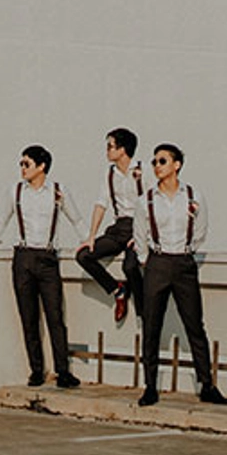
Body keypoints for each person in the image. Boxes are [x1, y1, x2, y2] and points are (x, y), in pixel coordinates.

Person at [132, 143, 227, 407]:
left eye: (162, 161)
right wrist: (147, 262)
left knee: (195, 325)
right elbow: (139, 236)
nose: (156, 166)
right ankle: (150, 386)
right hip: (157, 263)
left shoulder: (193, 196)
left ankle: (207, 385)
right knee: (152, 325)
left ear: (176, 165)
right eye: (154, 161)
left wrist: (186, 251)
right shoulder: (145, 201)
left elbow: (201, 231)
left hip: (185, 263)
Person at [0, 145, 84, 389]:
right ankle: (36, 370)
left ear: (42, 166)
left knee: (55, 316)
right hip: (23, 257)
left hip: (48, 258)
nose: (22, 168)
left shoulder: (59, 192)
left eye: (26, 164)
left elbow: (77, 220)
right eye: (21, 164)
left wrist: (89, 241)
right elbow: (1, 221)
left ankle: (63, 371)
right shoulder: (16, 191)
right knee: (28, 317)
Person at [76, 128, 144, 323]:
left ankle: (142, 311)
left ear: (122, 149)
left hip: (139, 227)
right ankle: (117, 290)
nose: (107, 150)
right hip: (119, 227)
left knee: (130, 267)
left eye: (110, 146)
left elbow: (151, 204)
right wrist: (91, 236)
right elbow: (101, 204)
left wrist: (142, 234)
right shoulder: (109, 174)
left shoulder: (143, 170)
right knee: (83, 255)